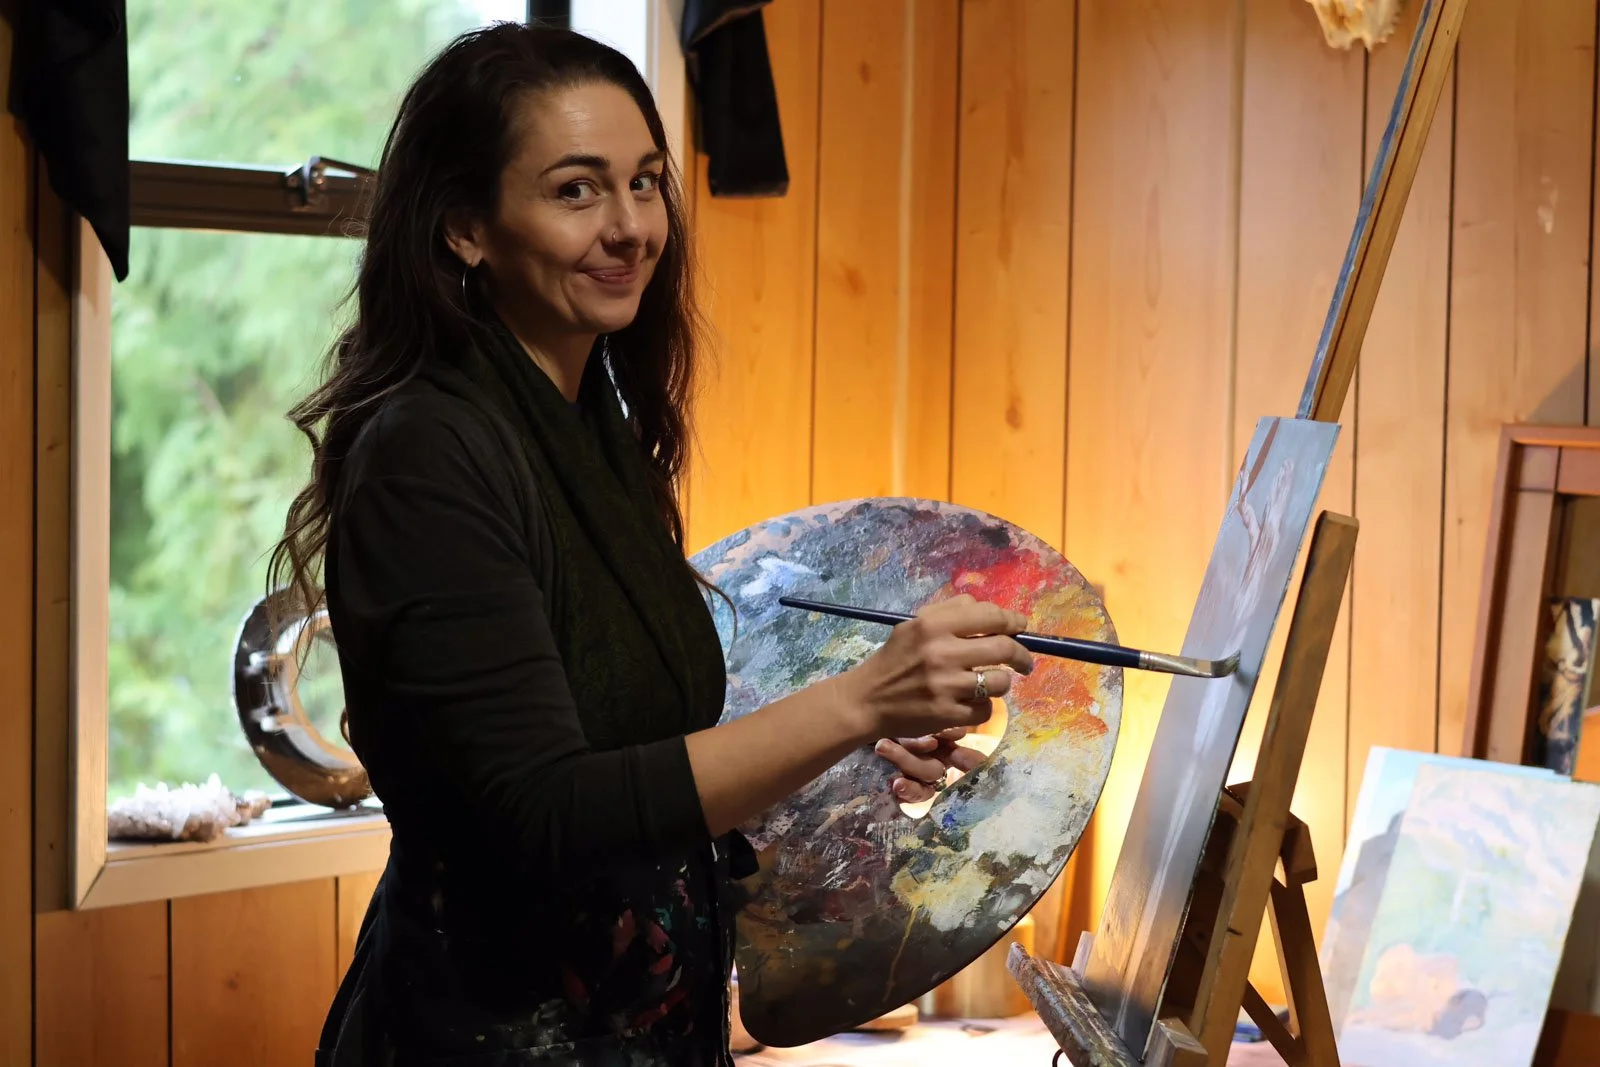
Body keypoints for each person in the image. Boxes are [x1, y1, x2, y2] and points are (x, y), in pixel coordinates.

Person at [270, 21, 1034, 1067]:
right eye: (576, 189)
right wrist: (855, 696)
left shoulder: (593, 418)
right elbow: (543, 810)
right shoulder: (429, 452)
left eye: (644, 183)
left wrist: (840, 747)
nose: (630, 226)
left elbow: (633, 750)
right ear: (465, 227)